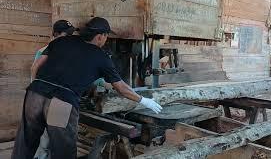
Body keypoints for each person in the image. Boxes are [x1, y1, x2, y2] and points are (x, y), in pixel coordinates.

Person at [11, 17, 162, 159]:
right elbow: (121, 87)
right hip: (60, 102)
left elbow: (37, 65)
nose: (106, 40)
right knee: (62, 149)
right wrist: (144, 100)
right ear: (100, 36)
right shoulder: (101, 56)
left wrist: (37, 85)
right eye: (106, 36)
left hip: (35, 94)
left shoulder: (63, 41)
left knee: (25, 142)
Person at [32, 20, 78, 159]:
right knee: (47, 139)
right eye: (66, 34)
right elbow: (35, 68)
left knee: (51, 139)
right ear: (55, 34)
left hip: (53, 99)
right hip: (52, 99)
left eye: (71, 34)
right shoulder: (46, 52)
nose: (69, 37)